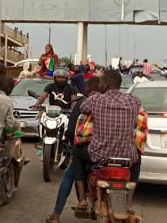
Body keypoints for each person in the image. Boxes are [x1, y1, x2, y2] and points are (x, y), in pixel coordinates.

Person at [72, 71, 142, 214]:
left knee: (76, 152)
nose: (99, 85)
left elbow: (83, 109)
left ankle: (82, 200)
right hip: (126, 156)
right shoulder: (134, 100)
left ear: (106, 84)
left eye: (100, 83)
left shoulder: (96, 100)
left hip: (99, 154)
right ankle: (128, 203)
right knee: (138, 159)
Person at [44, 76, 100, 223]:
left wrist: (69, 135)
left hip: (86, 151)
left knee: (69, 175)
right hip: (111, 153)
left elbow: (71, 129)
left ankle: (56, 215)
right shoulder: (116, 104)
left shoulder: (83, 103)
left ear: (87, 89)